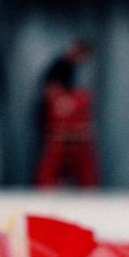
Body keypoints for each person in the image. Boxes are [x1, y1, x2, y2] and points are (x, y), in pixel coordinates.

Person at [35, 41, 99, 189]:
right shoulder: (60, 66)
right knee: (54, 157)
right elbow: (51, 91)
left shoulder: (70, 67)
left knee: (80, 158)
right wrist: (65, 102)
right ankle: (47, 186)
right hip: (57, 125)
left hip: (70, 126)